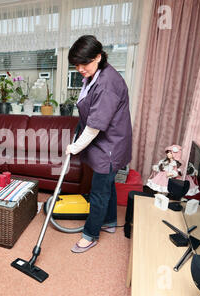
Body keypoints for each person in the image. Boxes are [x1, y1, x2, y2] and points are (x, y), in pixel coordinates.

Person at [65, 35, 132, 253]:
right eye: (76, 64)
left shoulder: (107, 83)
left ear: (98, 57)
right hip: (104, 142)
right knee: (107, 185)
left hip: (110, 145)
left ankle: (90, 235)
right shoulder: (95, 75)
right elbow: (87, 110)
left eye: (84, 63)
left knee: (99, 191)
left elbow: (94, 126)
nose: (79, 68)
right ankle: (110, 221)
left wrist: (74, 147)